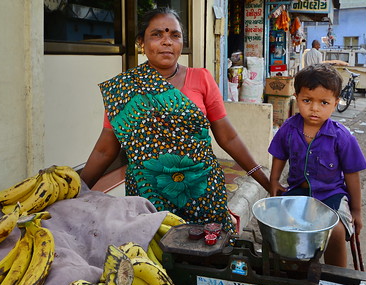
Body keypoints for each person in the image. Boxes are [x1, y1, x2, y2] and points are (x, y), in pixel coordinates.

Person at [80, 7, 270, 235]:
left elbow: (227, 136)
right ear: (142, 42)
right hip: (148, 197)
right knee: (154, 258)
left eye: (174, 35)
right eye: (157, 34)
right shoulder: (124, 89)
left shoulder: (202, 78)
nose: (167, 41)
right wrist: (77, 191)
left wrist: (264, 180)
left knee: (208, 256)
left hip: (203, 191)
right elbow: (104, 150)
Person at [268, 63, 366, 267]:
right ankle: (295, 273)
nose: (314, 108)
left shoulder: (342, 137)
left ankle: (336, 279)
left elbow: (351, 175)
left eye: (323, 102)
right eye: (307, 100)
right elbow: (279, 155)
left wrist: (356, 211)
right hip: (297, 193)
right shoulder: (288, 128)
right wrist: (274, 180)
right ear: (296, 98)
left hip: (330, 195)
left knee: (336, 232)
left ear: (335, 103)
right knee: (288, 233)